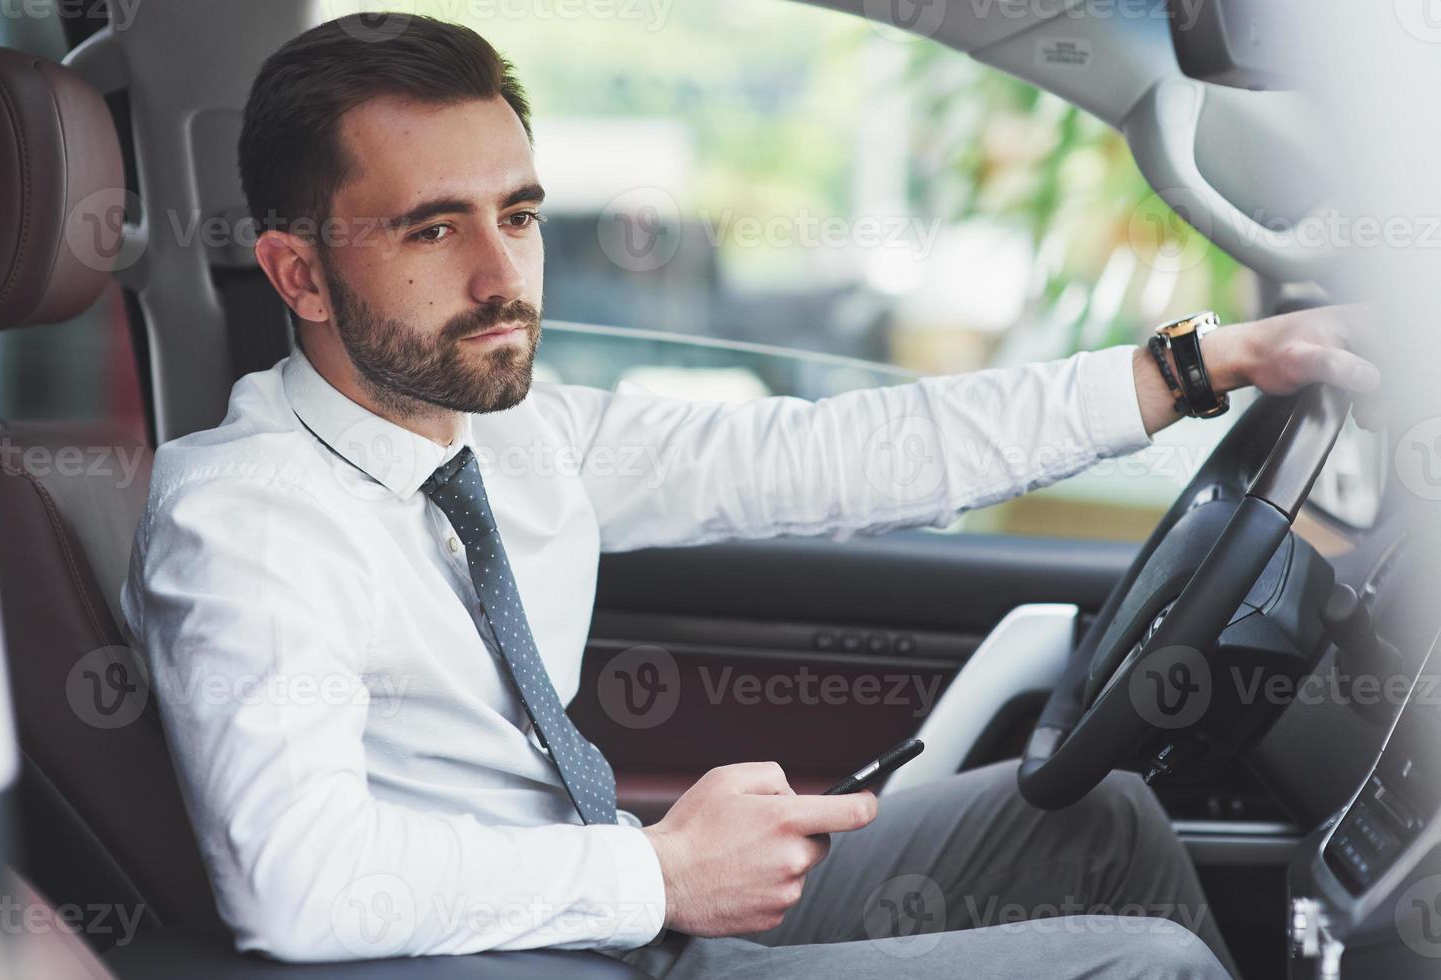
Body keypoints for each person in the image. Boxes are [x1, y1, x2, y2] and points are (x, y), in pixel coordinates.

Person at [121, 14, 1378, 979]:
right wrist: (655, 872)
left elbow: (845, 452)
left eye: (518, 213)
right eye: (431, 229)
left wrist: (1195, 366)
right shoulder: (244, 518)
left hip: (605, 918)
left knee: (1094, 816)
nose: (503, 276)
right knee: (1141, 967)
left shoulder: (516, 438)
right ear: (297, 272)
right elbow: (297, 882)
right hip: (521, 952)